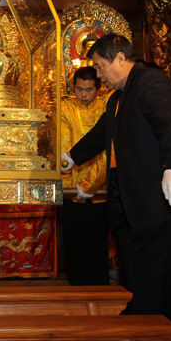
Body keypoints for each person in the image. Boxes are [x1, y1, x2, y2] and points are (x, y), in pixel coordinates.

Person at [62, 33, 171, 327]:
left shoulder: (150, 82)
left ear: (119, 58)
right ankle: (142, 315)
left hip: (160, 196)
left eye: (101, 67)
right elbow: (102, 133)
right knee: (135, 264)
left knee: (156, 268)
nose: (100, 75)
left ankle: (153, 323)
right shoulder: (117, 98)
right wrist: (74, 156)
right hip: (132, 199)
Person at [60, 66, 109, 285]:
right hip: (72, 188)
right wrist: (70, 182)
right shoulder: (65, 109)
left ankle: (99, 287)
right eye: (79, 89)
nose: (83, 95)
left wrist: (93, 181)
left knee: (99, 241)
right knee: (75, 241)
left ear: (98, 88)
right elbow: (63, 145)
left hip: (102, 187)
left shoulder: (106, 108)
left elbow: (107, 147)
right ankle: (76, 285)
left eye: (89, 90)